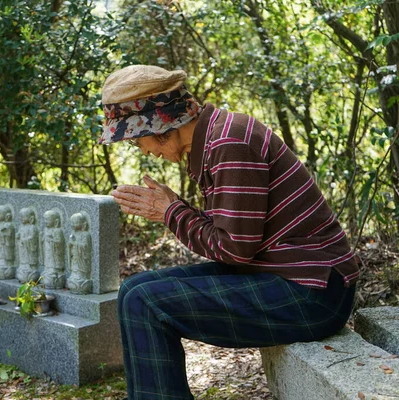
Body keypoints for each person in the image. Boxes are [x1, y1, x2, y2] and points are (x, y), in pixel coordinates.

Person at [99, 65, 359, 400]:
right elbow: (233, 236)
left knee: (144, 301)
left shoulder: (229, 143)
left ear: (160, 125)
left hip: (314, 293)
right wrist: (173, 209)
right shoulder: (217, 136)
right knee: (134, 289)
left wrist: (169, 210)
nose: (145, 151)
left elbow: (235, 249)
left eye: (138, 140)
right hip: (287, 276)